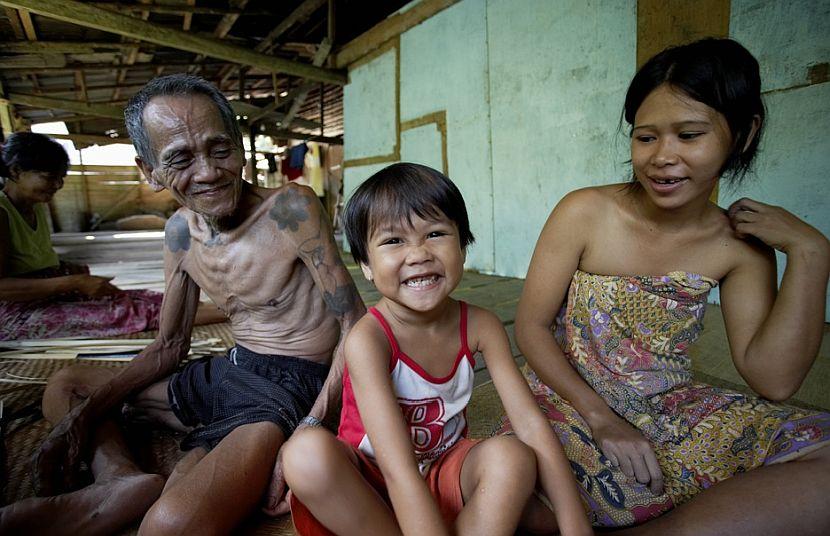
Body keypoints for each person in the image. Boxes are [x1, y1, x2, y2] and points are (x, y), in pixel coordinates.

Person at [1, 74, 365, 535]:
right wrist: (81, 419)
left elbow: (356, 323)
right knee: (68, 387)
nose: (209, 172)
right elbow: (169, 346)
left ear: (238, 145)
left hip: (285, 389)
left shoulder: (290, 209)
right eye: (179, 159)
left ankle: (159, 478)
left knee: (169, 527)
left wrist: (312, 425)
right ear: (148, 169)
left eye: (220, 149)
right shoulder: (178, 233)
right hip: (230, 369)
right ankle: (120, 479)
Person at [500, 38, 830, 534]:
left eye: (689, 135)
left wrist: (811, 252)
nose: (662, 158)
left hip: (671, 408)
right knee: (514, 483)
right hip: (567, 399)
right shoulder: (585, 212)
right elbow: (531, 327)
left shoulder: (741, 247)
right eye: (646, 137)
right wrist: (603, 420)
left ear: (742, 134)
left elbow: (774, 380)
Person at [282, 163, 591, 536]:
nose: (419, 254)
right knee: (304, 455)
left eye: (435, 233)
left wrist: (576, 526)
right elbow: (397, 470)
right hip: (371, 489)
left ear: (463, 246)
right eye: (393, 241)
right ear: (365, 264)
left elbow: (529, 424)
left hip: (443, 471)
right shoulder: (368, 340)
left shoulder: (482, 326)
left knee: (513, 459)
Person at [0, 132, 223, 340]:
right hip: (15, 312)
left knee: (146, 298)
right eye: (49, 177)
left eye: (61, 178)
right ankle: (238, 314)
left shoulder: (34, 203)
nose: (57, 185)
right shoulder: (2, 213)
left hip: (49, 292)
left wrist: (71, 274)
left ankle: (229, 309)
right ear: (16, 171)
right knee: (131, 312)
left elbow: (33, 258)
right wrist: (73, 282)